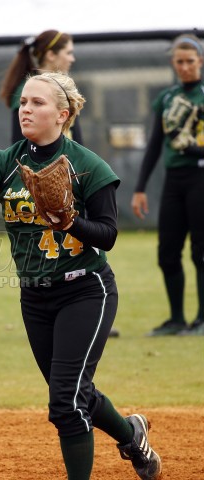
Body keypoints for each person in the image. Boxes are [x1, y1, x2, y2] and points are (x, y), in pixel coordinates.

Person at [0, 72, 162, 480]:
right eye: (23, 102)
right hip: (34, 297)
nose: (25, 110)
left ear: (63, 114)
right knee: (75, 393)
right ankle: (131, 434)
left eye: (37, 102)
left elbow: (108, 234)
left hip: (85, 290)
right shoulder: (8, 162)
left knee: (65, 403)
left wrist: (69, 222)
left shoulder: (88, 166)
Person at [0, 29, 120, 339]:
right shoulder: (34, 92)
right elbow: (21, 146)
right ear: (51, 55)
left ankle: (87, 308)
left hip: (70, 184)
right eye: (68, 52)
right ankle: (75, 312)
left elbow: (74, 145)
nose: (72, 58)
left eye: (36, 103)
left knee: (84, 240)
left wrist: (84, 174)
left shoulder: (61, 92)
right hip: (43, 186)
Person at [131, 33, 204, 337]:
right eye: (179, 62)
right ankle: (176, 319)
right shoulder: (167, 98)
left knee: (201, 251)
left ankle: (202, 320)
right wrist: (140, 188)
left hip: (200, 178)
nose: (184, 67)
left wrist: (195, 149)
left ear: (200, 61)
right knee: (167, 252)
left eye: (190, 61)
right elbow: (154, 146)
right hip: (174, 181)